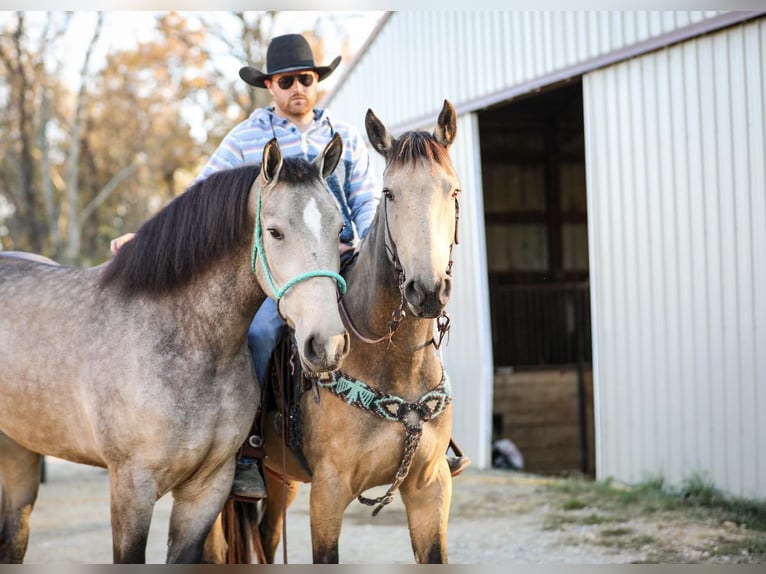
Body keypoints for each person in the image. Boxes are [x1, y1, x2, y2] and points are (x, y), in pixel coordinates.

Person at [112, 33, 468, 500]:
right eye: (285, 81)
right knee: (260, 335)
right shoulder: (245, 139)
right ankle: (249, 449)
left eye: (305, 78)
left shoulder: (339, 138)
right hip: (278, 275)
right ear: (270, 87)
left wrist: (358, 249)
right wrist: (147, 235)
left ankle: (430, 431)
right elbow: (198, 200)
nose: (296, 88)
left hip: (340, 265)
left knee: (403, 323)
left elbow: (365, 202)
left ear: (316, 82)